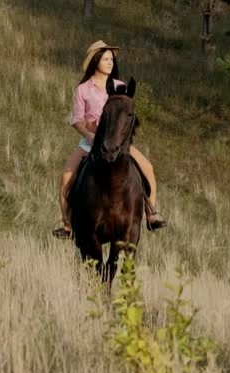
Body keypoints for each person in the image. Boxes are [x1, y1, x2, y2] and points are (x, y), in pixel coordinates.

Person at [52, 40, 167, 239]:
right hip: (89, 144)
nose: (110, 63)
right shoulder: (83, 89)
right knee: (65, 179)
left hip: (118, 145)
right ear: (95, 61)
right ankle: (68, 224)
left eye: (111, 60)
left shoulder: (120, 86)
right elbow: (77, 119)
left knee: (147, 168)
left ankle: (151, 213)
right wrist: (88, 135)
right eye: (105, 59)